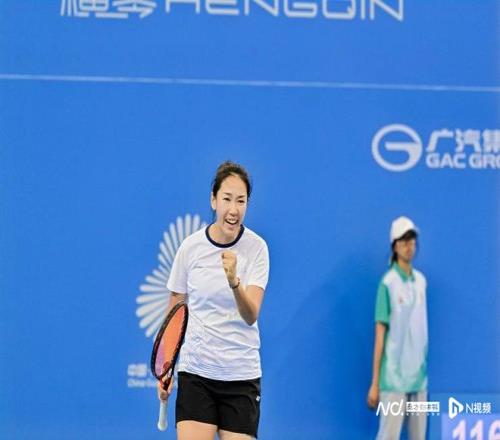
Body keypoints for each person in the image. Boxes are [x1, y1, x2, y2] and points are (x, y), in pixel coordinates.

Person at [158, 161, 269, 440]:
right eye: (227, 199)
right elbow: (175, 310)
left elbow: (251, 314)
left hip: (241, 377)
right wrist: (166, 368)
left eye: (241, 201)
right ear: (213, 200)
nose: (233, 209)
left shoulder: (257, 248)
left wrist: (234, 282)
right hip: (197, 374)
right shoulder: (190, 248)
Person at [367, 216, 428, 440]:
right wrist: (375, 383)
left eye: (412, 241)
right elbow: (380, 336)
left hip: (419, 379)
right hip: (393, 380)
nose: (409, 246)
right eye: (404, 241)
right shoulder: (388, 284)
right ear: (395, 246)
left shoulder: (421, 281)